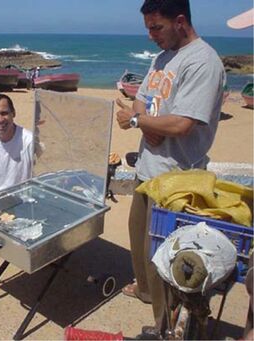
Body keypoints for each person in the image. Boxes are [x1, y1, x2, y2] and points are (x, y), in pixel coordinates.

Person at [115, 0, 225, 336]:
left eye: (156, 28)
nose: (151, 36)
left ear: (180, 21)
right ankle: (146, 292)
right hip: (148, 170)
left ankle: (164, 326)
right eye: (148, 28)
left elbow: (182, 124)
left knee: (166, 257)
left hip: (177, 180)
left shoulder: (203, 61)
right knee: (140, 243)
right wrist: (148, 124)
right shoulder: (162, 57)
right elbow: (142, 97)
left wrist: (137, 121)